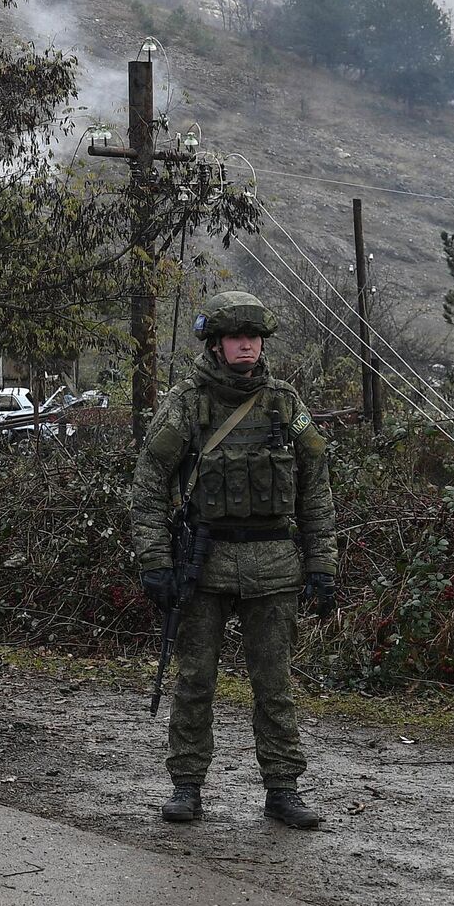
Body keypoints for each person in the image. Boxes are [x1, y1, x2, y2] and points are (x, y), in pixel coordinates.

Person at [131, 289, 337, 829]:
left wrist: (323, 563)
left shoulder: (285, 403)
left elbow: (315, 489)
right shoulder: (185, 403)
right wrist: (155, 560)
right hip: (204, 563)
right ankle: (187, 785)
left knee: (275, 684)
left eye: (253, 338)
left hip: (274, 564)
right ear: (217, 345)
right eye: (235, 338)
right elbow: (149, 485)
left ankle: (283, 788)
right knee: (195, 679)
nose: (246, 346)